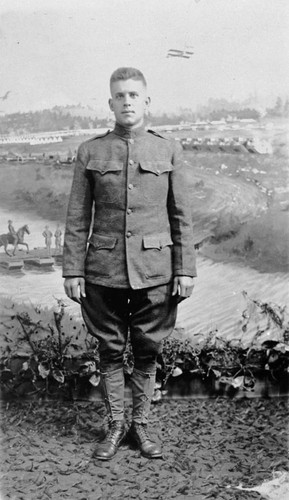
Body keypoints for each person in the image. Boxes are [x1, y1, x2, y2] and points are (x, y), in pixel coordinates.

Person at [63, 67, 197, 461]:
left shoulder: (168, 149)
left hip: (156, 269)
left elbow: (181, 217)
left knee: (147, 350)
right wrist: (72, 270)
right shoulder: (91, 151)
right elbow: (76, 217)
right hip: (101, 270)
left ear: (146, 101)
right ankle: (116, 425)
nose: (126, 102)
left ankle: (141, 425)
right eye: (119, 96)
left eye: (133, 95)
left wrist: (185, 269)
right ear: (110, 103)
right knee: (108, 349)